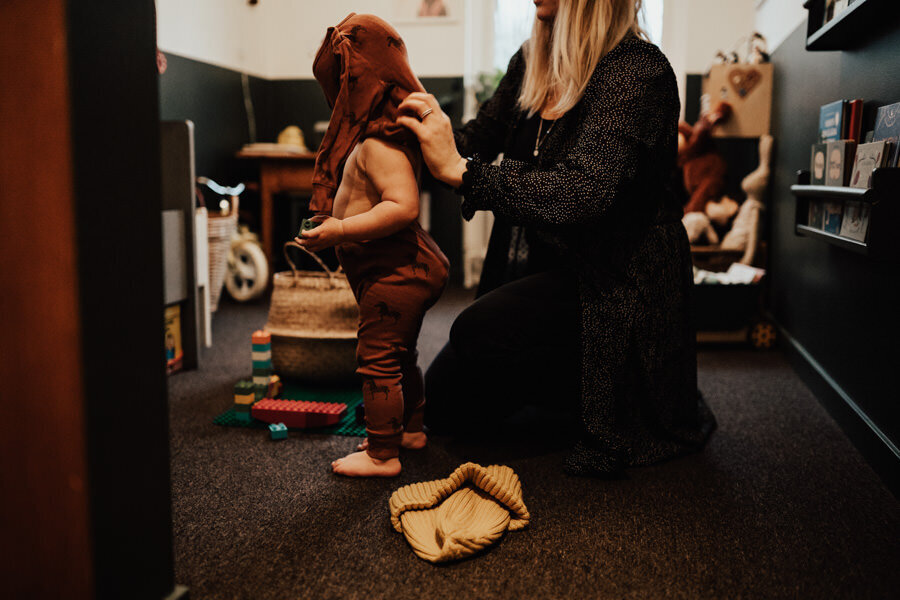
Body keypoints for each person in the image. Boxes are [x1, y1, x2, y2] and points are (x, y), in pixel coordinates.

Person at [397, 0, 716, 475]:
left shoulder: (638, 70)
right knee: (442, 406)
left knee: (477, 331)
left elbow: (585, 192)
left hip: (612, 279)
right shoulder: (531, 60)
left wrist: (467, 176)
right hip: (548, 265)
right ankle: (563, 387)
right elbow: (475, 138)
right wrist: (399, 125)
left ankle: (607, 393)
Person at [298, 14, 449, 477]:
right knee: (400, 354)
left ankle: (383, 453)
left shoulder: (378, 145)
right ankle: (411, 428)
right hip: (393, 269)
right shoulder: (371, 140)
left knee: (377, 356)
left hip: (397, 270)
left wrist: (340, 230)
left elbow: (403, 208)